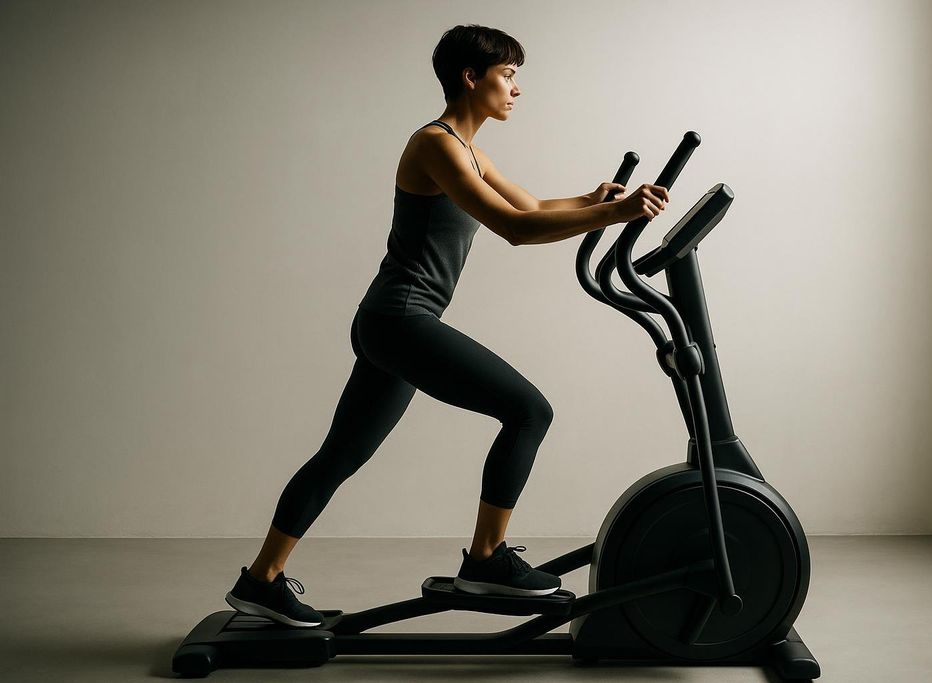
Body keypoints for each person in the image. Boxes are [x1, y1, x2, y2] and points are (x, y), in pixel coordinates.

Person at [225, 24, 670, 628]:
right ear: (471, 77)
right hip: (399, 317)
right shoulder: (435, 145)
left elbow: (533, 208)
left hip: (395, 322)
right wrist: (614, 214)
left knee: (340, 455)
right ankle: (485, 560)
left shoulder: (469, 150)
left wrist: (595, 198)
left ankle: (261, 581)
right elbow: (511, 229)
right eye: (508, 76)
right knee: (528, 410)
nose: (516, 90)